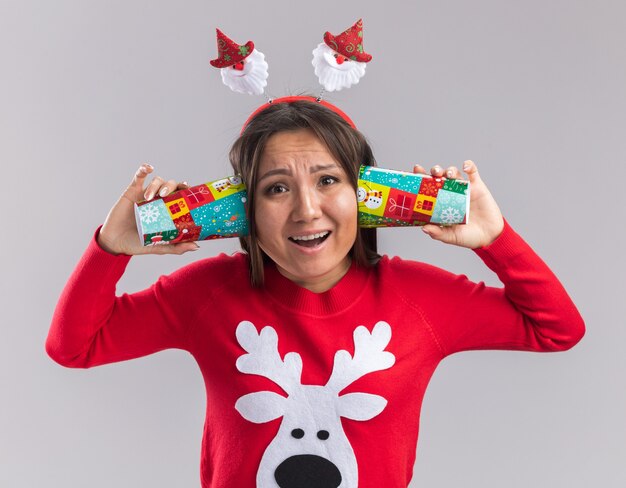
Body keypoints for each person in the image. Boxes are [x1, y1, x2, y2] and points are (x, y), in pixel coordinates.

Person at [46, 96, 585, 487]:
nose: (306, 209)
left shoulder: (419, 299)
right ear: (244, 211)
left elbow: (557, 328)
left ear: (367, 196)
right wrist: (110, 248)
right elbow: (74, 346)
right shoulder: (207, 293)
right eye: (276, 188)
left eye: (328, 180)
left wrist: (496, 240)